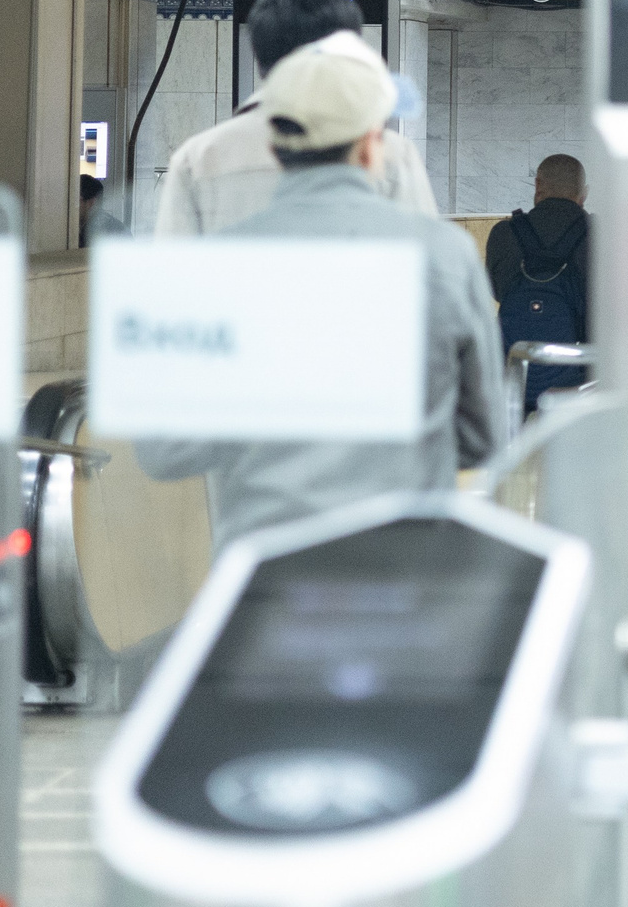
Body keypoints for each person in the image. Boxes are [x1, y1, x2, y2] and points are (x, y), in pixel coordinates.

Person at [135, 33, 507, 550]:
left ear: (273, 144)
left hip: (265, 575)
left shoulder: (212, 269)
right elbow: (481, 438)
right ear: (369, 143)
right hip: (409, 569)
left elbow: (164, 450)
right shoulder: (445, 254)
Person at [155, 0, 437, 235]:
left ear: (260, 54)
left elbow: (171, 274)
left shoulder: (198, 158)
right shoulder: (392, 154)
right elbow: (427, 265)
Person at [486, 152, 591, 411]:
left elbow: (498, 292)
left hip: (513, 374)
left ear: (538, 187)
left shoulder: (504, 234)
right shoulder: (599, 234)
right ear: (584, 193)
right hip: (577, 378)